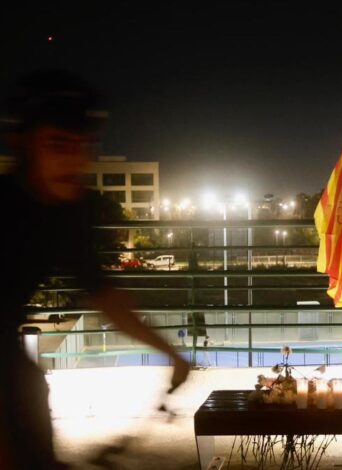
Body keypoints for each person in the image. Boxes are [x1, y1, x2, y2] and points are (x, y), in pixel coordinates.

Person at [0, 70, 190, 469]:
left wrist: (169, 352)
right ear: (22, 144)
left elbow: (102, 292)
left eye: (83, 145)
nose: (75, 158)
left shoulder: (69, 208)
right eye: (58, 144)